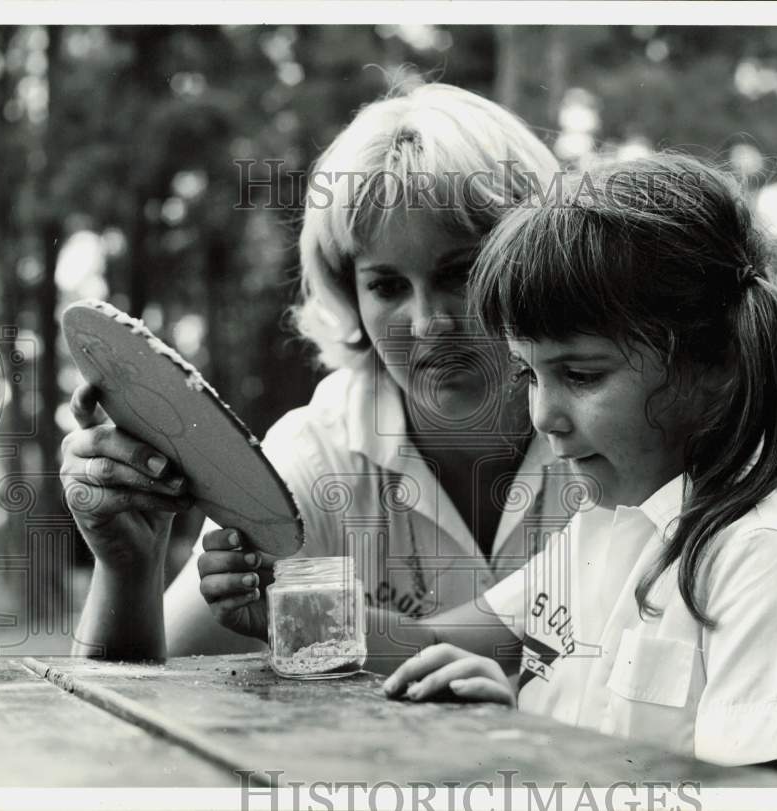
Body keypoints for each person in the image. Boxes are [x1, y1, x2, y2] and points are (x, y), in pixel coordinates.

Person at [203, 155, 777, 785]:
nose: (544, 415)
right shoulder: (602, 530)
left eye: (581, 375)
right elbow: (434, 638)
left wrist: (531, 755)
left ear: (714, 371)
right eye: (529, 374)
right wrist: (284, 608)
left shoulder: (769, 561)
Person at [60, 82, 574, 659]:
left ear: (538, 261)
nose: (428, 323)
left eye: (460, 273)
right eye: (386, 285)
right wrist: (128, 568)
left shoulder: (616, 438)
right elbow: (136, 716)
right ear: (349, 295)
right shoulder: (312, 458)